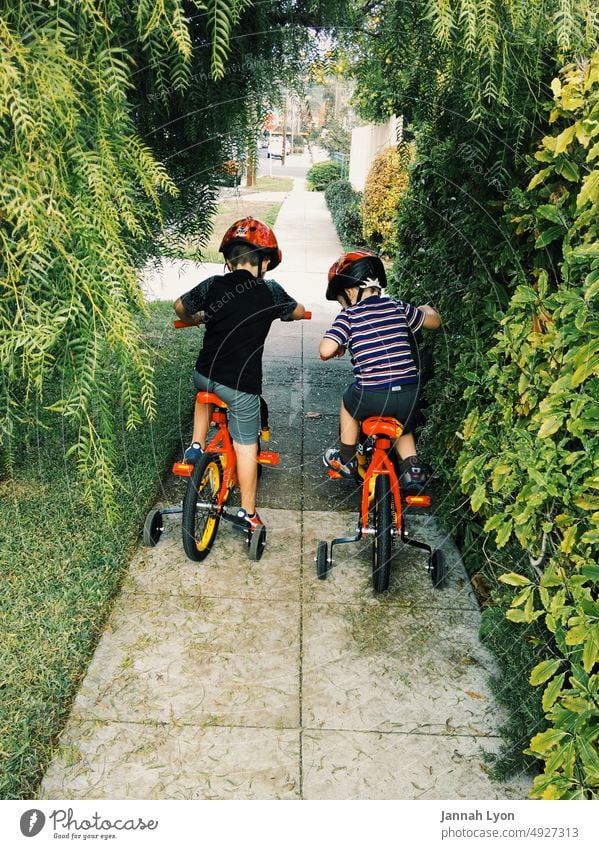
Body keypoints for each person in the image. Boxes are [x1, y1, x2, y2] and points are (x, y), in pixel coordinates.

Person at [174, 217, 307, 533]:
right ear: (264, 262)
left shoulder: (212, 285)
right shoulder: (271, 292)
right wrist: (282, 314)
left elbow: (180, 306)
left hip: (204, 375)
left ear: (227, 259)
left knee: (204, 394)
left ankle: (195, 445)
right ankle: (248, 513)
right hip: (241, 387)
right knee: (246, 447)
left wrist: (196, 318)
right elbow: (298, 311)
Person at [319, 250, 441, 492]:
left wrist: (338, 346)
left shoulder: (350, 315)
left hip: (371, 395)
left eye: (341, 299)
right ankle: (412, 468)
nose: (343, 305)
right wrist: (427, 310)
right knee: (402, 426)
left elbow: (325, 350)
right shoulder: (399, 307)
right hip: (409, 394)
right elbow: (434, 322)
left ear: (351, 291)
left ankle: (346, 458)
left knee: (347, 403)